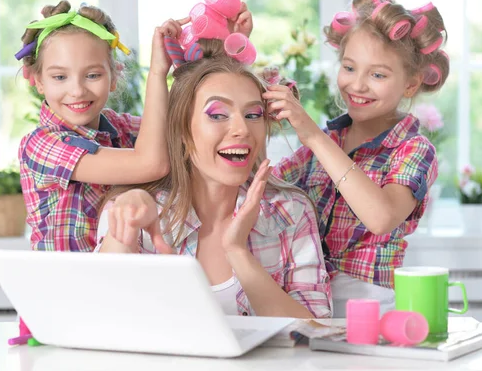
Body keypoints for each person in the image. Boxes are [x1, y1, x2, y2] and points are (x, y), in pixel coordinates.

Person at [96, 36, 332, 318]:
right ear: (182, 131)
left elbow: (316, 331)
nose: (241, 129)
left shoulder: (291, 212)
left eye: (253, 115)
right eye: (218, 115)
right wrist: (125, 231)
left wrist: (237, 252)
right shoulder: (136, 210)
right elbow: (102, 316)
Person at [267, 0, 447, 315]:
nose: (358, 85)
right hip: (307, 295)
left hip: (371, 304)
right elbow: (263, 185)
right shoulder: (326, 141)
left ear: (410, 84)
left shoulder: (414, 149)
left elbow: (380, 217)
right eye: (349, 68)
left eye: (377, 74)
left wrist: (313, 137)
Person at [16, 0, 173, 252]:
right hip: (62, 286)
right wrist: (157, 73)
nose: (77, 91)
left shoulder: (121, 129)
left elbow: (187, 134)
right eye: (59, 77)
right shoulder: (41, 145)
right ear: (38, 81)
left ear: (114, 76)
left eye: (92, 75)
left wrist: (220, 51)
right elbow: (152, 164)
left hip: (116, 281)